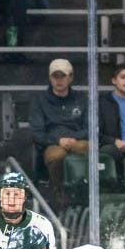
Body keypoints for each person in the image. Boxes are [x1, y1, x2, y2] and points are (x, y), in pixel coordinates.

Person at [28, 59, 88, 190]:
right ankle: (59, 193)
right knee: (56, 156)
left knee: (83, 148)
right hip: (52, 144)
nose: (59, 80)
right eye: (55, 76)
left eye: (63, 76)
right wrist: (58, 140)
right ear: (50, 77)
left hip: (78, 141)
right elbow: (37, 132)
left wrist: (75, 138)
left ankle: (83, 193)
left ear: (71, 77)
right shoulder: (39, 101)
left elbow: (91, 127)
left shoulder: (82, 98)